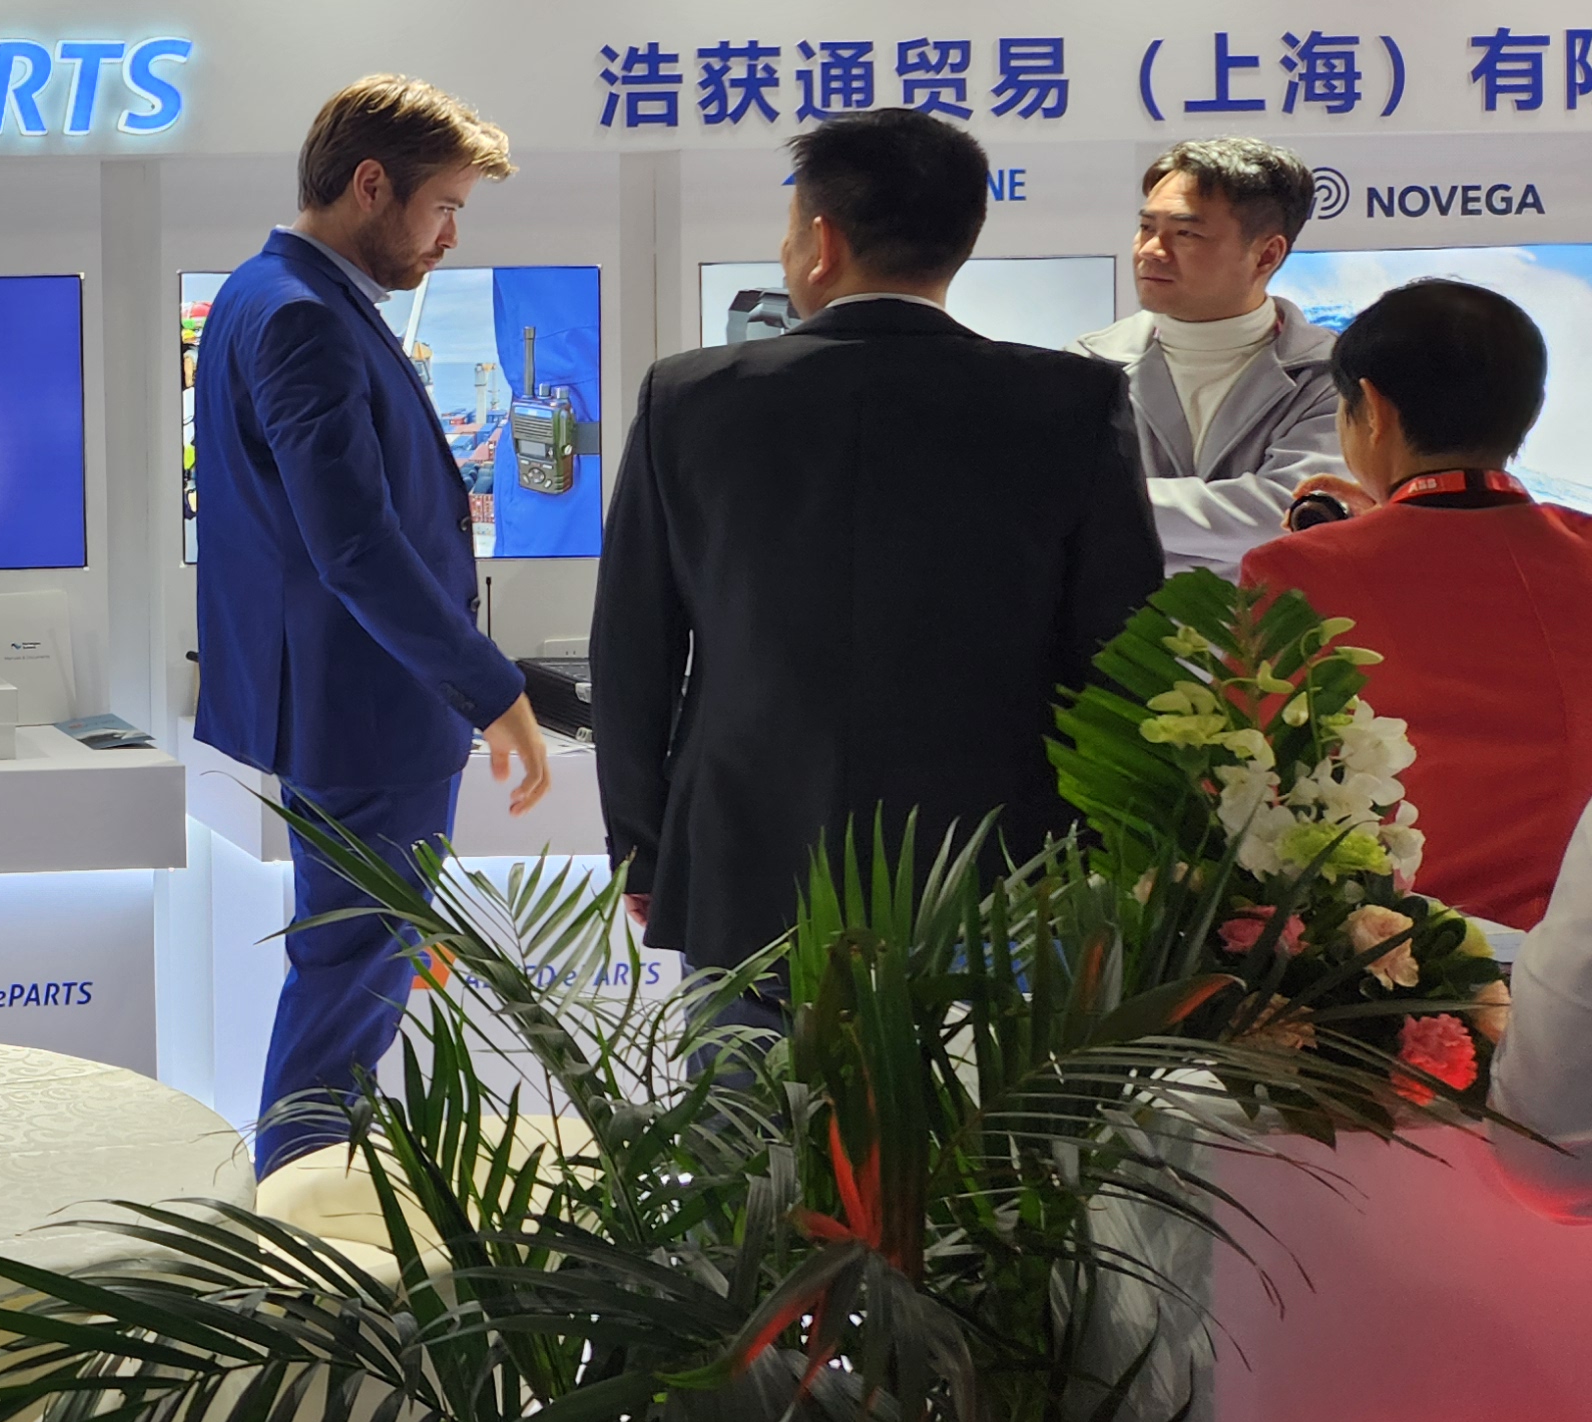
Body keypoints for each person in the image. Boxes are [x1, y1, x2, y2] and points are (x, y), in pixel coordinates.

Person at [592, 109, 1163, 975]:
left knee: (750, 1065)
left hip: (749, 857)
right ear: (962, 238)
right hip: (1003, 864)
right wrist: (1115, 847)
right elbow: (1120, 644)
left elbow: (634, 644)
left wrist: (641, 844)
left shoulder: (691, 397)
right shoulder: (1071, 401)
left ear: (821, 242)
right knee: (990, 1068)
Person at [191, 76, 553, 1166]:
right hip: (368, 710)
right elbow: (352, 543)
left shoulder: (266, 293)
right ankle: (297, 1211)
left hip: (349, 702)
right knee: (350, 986)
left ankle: (299, 1195)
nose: (449, 237)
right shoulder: (302, 315)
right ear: (368, 185)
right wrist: (489, 688)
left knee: (350, 978)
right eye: (444, 206)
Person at [1242, 281, 1592, 931]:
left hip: (1393, 958)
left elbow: (1253, 785)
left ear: (1372, 409)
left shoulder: (1294, 571)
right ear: (1530, 411)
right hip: (1576, 952)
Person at [1071, 138, 1340, 574]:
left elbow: (1293, 515)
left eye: (1186, 233)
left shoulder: (1334, 375)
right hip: (1124, 621)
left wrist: (1103, 506)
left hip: (1277, 620)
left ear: (1266, 255)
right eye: (1146, 227)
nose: (1150, 250)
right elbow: (1053, 518)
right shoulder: (1084, 366)